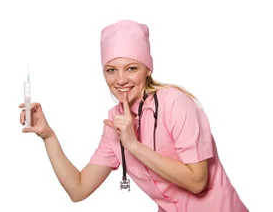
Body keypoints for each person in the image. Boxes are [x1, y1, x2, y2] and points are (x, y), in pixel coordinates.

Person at [19, 20, 248, 212]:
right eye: (111, 70)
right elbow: (78, 189)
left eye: (131, 68)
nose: (120, 80)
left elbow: (198, 181)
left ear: (148, 68)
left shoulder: (175, 103)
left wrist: (133, 145)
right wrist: (48, 136)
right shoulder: (114, 122)